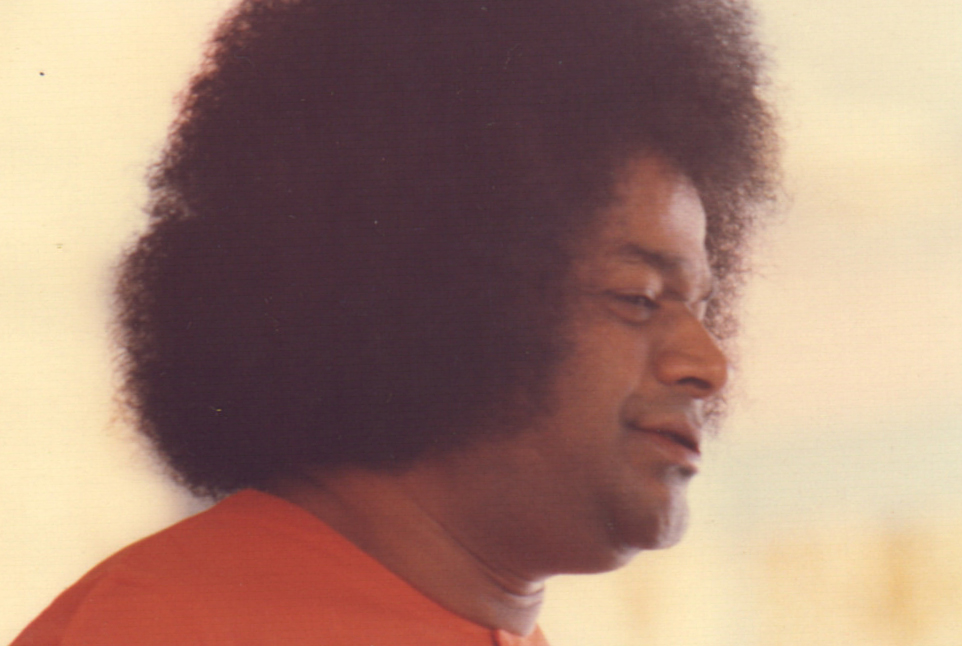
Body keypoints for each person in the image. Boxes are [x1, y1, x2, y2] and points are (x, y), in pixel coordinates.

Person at [13, 0, 778, 643]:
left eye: (701, 307)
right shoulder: (166, 629)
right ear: (446, 296)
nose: (708, 365)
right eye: (639, 297)